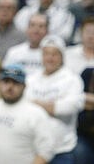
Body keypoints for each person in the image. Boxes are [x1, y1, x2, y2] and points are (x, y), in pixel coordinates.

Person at [0, 64, 55, 164]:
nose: (10, 87)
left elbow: (46, 150)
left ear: (24, 86)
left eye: (15, 83)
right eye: (6, 82)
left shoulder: (35, 113)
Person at [24, 35, 85, 164]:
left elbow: (71, 107)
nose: (50, 58)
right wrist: (52, 106)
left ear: (62, 57)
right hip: (33, 149)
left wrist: (36, 104)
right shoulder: (31, 79)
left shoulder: (72, 79)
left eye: (54, 54)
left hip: (61, 149)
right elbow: (23, 106)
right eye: (46, 54)